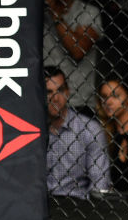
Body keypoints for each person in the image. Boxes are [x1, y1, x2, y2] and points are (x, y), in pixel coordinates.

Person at [43, 0, 104, 111]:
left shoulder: (89, 12)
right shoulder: (40, 15)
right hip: (45, 101)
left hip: (78, 103)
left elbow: (78, 50)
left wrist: (55, 14)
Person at [45, 66, 111, 198]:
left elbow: (99, 183)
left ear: (68, 92)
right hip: (37, 205)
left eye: (60, 91)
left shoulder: (89, 129)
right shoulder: (29, 129)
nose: (55, 98)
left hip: (77, 206)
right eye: (48, 92)